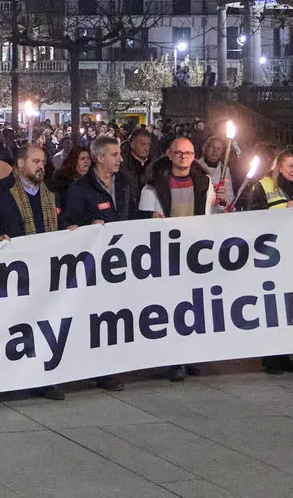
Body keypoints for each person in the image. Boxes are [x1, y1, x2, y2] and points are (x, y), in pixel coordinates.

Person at [60, 135, 138, 394]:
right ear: (100, 158)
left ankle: (111, 368)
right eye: (115, 154)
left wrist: (151, 217)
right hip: (93, 265)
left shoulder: (125, 183)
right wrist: (88, 228)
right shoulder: (80, 189)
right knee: (94, 317)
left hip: (122, 262)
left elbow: (132, 214)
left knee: (116, 316)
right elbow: (68, 224)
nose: (120, 159)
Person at [137, 138, 215, 382]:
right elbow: (142, 221)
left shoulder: (205, 183)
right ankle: (173, 360)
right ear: (169, 155)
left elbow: (211, 216)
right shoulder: (152, 187)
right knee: (169, 309)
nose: (183, 157)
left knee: (191, 307)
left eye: (189, 153)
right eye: (179, 153)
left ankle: (188, 355)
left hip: (193, 255)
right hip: (166, 255)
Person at [248, 150, 293, 375]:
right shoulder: (263, 186)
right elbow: (252, 217)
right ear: (279, 167)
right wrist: (283, 213)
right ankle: (270, 358)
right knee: (273, 307)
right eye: (290, 166)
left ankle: (286, 355)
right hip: (272, 256)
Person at [0, 145, 57, 241]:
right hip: (13, 254)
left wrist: (70, 229)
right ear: (20, 163)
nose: (41, 166)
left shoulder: (52, 191)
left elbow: (63, 221)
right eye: (36, 161)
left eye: (43, 162)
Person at [47, 146, 91, 215]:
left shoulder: (92, 178)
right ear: (74, 161)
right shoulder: (62, 180)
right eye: (82, 159)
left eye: (88, 158)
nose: (86, 161)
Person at [120, 128, 155, 194]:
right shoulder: (121, 164)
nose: (147, 148)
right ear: (132, 145)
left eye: (149, 144)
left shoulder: (154, 164)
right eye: (143, 144)